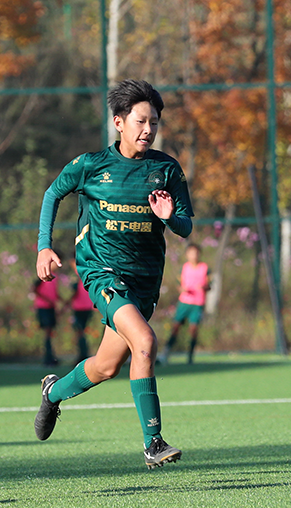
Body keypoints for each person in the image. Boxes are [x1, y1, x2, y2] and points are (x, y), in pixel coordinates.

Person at [34, 79, 194, 469]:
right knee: (145, 341)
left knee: (106, 366)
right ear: (119, 122)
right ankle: (153, 442)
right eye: (141, 121)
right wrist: (44, 246)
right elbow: (53, 193)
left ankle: (53, 393)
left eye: (154, 122)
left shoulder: (166, 169)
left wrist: (169, 216)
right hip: (101, 271)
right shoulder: (91, 165)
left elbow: (186, 226)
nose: (148, 129)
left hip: (144, 281)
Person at [160, 243, 210, 365]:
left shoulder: (205, 268)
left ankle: (190, 357)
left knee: (193, 329)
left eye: (196, 253)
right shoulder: (184, 268)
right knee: (175, 327)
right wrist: (182, 289)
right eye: (191, 253)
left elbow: (209, 285)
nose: (194, 255)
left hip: (197, 304)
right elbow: (179, 284)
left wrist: (203, 287)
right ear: (187, 254)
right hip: (184, 303)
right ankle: (165, 353)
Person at [32, 256, 62, 366]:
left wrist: (62, 301)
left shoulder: (55, 277)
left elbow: (54, 293)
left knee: (50, 332)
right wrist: (46, 300)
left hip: (51, 307)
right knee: (47, 332)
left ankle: (51, 356)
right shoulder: (43, 274)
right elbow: (34, 289)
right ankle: (48, 357)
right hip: (43, 307)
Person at [67, 256, 95, 364]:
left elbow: (74, 291)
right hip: (88, 306)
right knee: (82, 331)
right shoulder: (87, 271)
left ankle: (83, 355)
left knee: (79, 332)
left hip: (79, 308)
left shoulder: (77, 274)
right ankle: (84, 354)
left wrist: (66, 303)